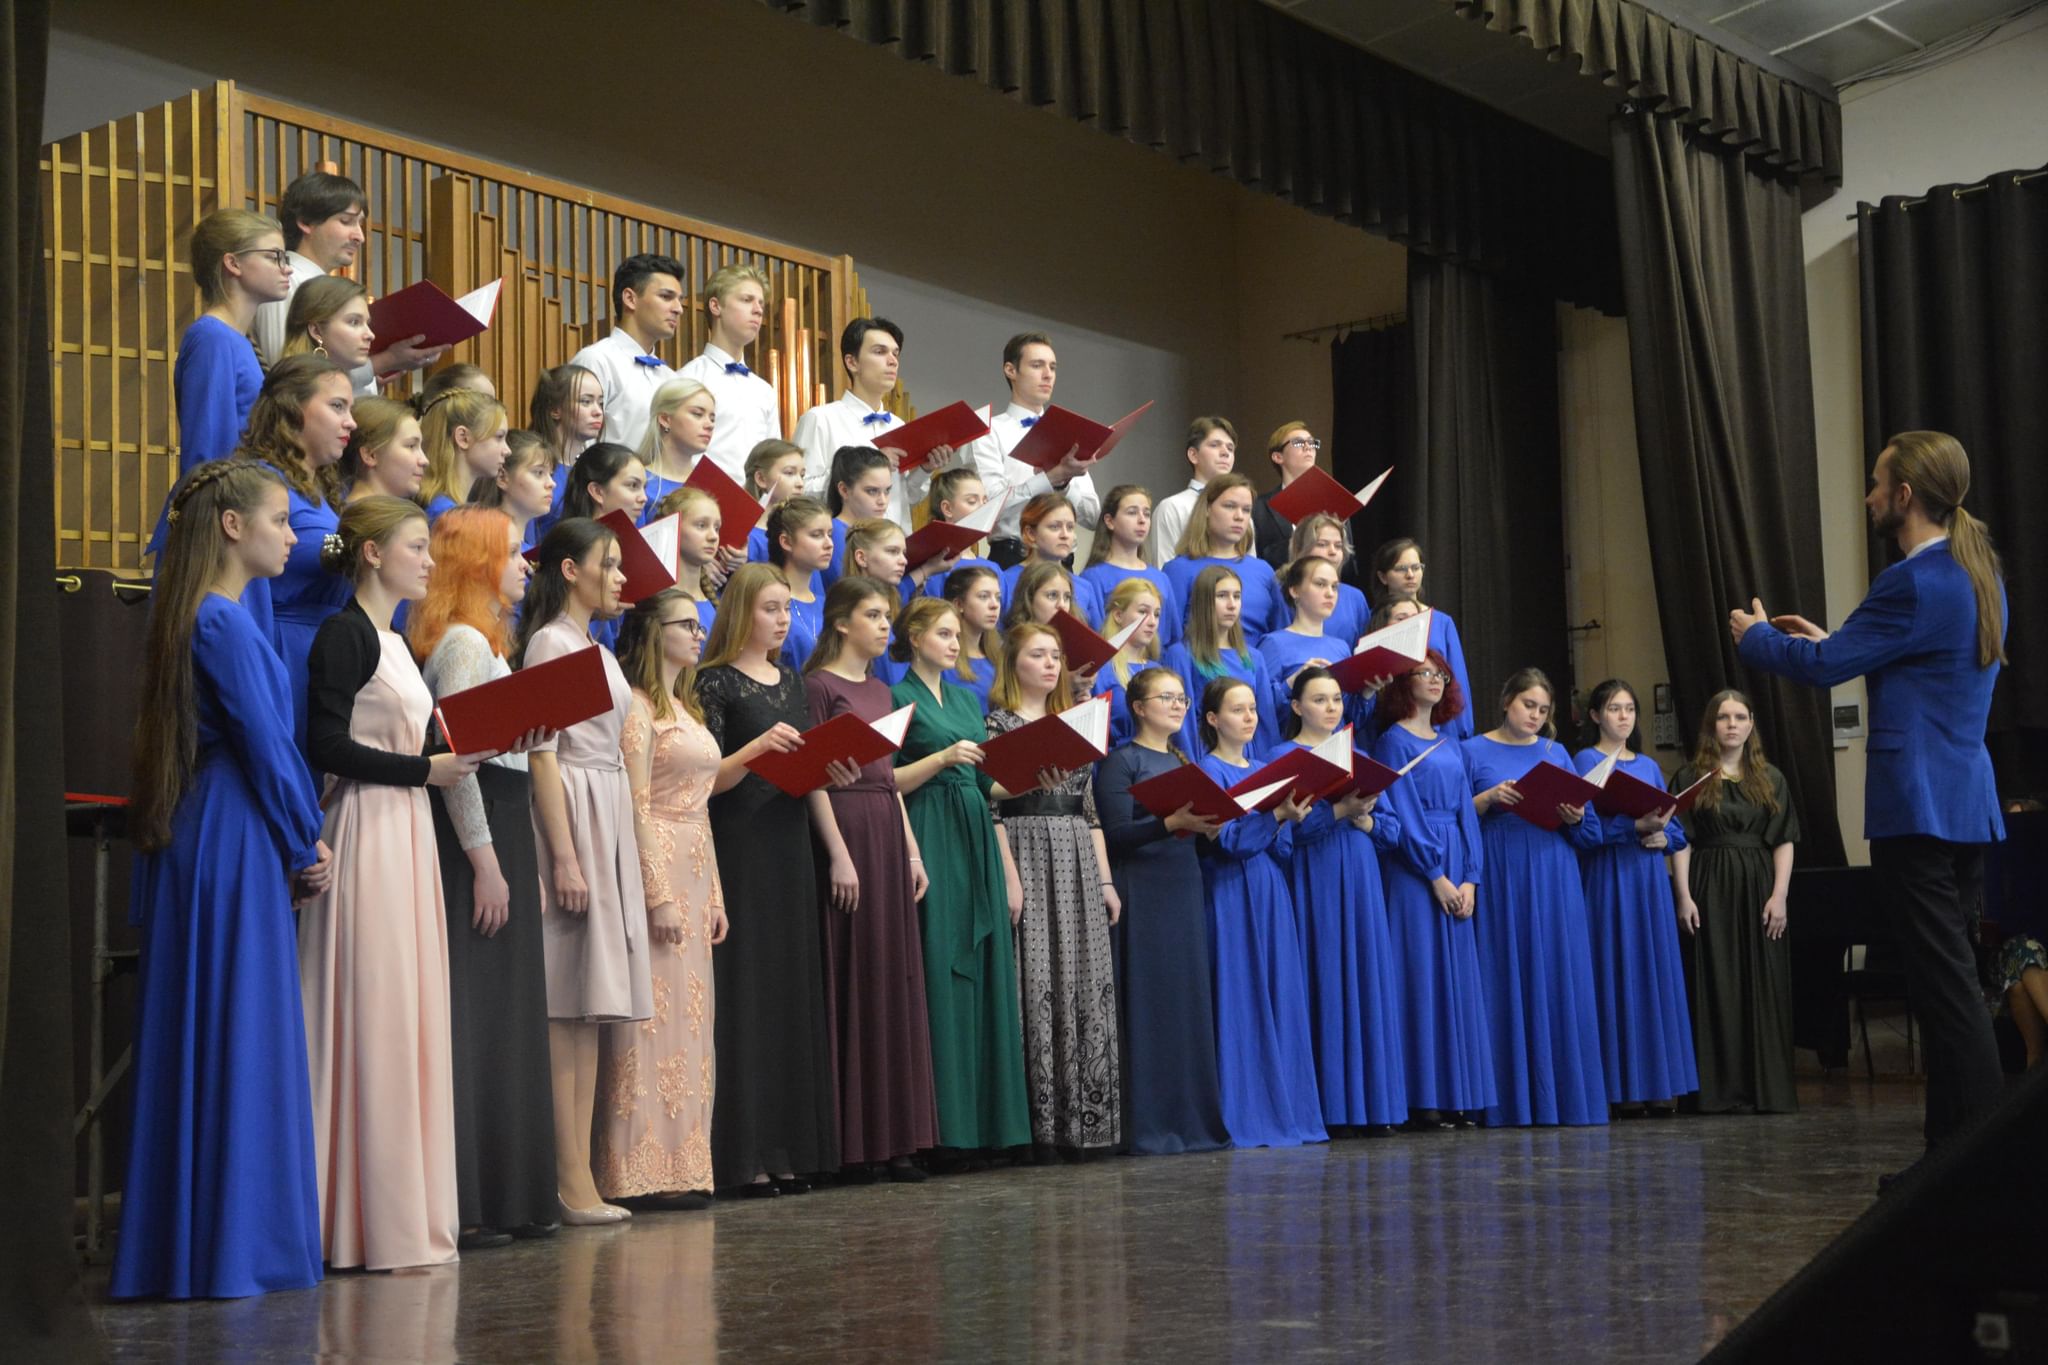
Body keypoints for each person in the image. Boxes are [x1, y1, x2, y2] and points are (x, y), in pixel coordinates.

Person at [1732, 429, 2007, 1154]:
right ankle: (1946, 1167)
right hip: (1963, 802)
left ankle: (1984, 1164)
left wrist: (1755, 637)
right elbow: (1916, 667)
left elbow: (1825, 670)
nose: (1869, 496)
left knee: (1945, 995)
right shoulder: (1977, 573)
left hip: (1915, 807)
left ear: (1906, 495)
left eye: (1878, 483)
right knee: (1952, 988)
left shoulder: (1911, 579)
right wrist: (1832, 641)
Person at [113, 460, 331, 1300]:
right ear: (234, 527)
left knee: (214, 1026)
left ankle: (204, 1243)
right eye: (281, 519)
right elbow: (267, 744)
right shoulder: (225, 623)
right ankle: (237, 1247)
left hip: (211, 829)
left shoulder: (203, 615)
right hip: (234, 832)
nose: (293, 533)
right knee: (241, 1029)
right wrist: (304, 836)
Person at [301, 496, 495, 1269]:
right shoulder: (343, 634)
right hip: (367, 830)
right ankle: (347, 1218)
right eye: (416, 545)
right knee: (371, 1011)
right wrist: (425, 767)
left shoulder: (396, 642)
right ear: (373, 553)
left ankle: (399, 1213)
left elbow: (419, 740)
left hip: (406, 831)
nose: (429, 559)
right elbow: (323, 742)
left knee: (408, 1015)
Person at [411, 506, 559, 1247]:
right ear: (478, 563)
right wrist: (487, 860)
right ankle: (474, 1198)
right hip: (483, 828)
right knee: (481, 1013)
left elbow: (489, 744)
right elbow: (461, 764)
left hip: (501, 815)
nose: (524, 563)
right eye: (512, 552)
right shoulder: (465, 644)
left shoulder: (480, 640)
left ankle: (502, 1193)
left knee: (503, 1011)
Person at [516, 517, 654, 1224]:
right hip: (573, 807)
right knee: (565, 1002)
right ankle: (566, 1176)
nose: (622, 576)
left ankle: (583, 1173)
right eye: (609, 562)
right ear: (570, 569)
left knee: (590, 1004)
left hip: (604, 806)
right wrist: (564, 853)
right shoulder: (549, 641)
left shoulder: (591, 644)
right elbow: (541, 751)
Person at [697, 565, 840, 1193]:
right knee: (748, 993)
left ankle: (786, 1147)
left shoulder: (791, 681)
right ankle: (745, 1152)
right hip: (740, 842)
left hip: (788, 841)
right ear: (741, 613)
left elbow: (805, 773)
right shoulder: (714, 682)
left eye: (787, 609)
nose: (783, 620)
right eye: (771, 609)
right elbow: (708, 780)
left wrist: (835, 842)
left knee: (787, 993)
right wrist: (758, 751)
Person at [593, 589, 729, 1211]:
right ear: (652, 632)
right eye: (685, 625)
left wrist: (716, 894)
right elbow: (637, 804)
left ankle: (684, 1163)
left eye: (700, 625)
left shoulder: (687, 705)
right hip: (661, 863)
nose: (698, 635)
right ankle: (636, 1164)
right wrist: (657, 894)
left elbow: (701, 810)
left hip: (697, 861)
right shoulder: (640, 708)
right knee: (651, 1019)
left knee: (692, 1020)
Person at [801, 577, 938, 1183]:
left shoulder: (882, 690)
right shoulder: (818, 686)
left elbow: (889, 779)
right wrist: (837, 853)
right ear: (840, 623)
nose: (886, 626)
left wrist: (911, 852)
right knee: (854, 976)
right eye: (874, 615)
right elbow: (813, 776)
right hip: (847, 826)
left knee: (891, 980)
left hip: (885, 824)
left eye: (888, 615)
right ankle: (856, 1142)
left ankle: (897, 1136)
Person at [889, 597, 1032, 1158]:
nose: (955, 642)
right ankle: (944, 1129)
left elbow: (987, 784)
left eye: (957, 634)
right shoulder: (899, 698)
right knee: (942, 961)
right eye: (944, 633)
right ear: (916, 635)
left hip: (973, 825)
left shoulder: (969, 698)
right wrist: (944, 758)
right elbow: (886, 780)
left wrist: (1025, 780)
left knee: (987, 964)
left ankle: (989, 1126)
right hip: (931, 826)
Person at [986, 622, 1122, 1160]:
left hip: (1074, 852)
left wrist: (1106, 879)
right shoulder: (996, 722)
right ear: (1013, 663)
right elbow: (989, 802)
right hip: (1026, 844)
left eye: (1055, 655)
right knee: (1035, 979)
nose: (1049, 664)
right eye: (1037, 654)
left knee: (1084, 978)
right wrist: (1010, 875)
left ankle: (1085, 1121)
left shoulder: (1074, 723)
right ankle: (1036, 1125)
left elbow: (1089, 810)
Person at [1092, 667, 1229, 1154]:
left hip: (1183, 886)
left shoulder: (1182, 761)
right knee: (1149, 1004)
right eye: (1166, 697)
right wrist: (1170, 821)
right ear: (1138, 706)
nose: (1176, 705)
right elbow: (1112, 836)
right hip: (1142, 889)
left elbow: (1197, 843)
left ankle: (1190, 1122)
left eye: (1182, 699)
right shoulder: (1120, 762)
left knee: (1184, 1004)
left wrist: (1209, 831)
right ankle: (1148, 1126)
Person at [1463, 668, 1608, 1128]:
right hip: (1502, 868)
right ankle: (1505, 1099)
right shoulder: (1471, 750)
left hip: (1552, 871)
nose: (1535, 715)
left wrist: (1573, 816)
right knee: (1504, 972)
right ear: (1507, 701)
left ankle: (1564, 1097)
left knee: (1555, 973)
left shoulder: (1556, 752)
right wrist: (1486, 800)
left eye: (1543, 710)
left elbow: (1590, 832)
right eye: (1528, 705)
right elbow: (1455, 819)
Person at [1193, 677, 1325, 1147]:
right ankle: (1245, 1112)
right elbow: (1227, 842)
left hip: (1270, 888)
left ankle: (1288, 1108)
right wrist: (1273, 820)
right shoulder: (1208, 772)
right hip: (1229, 890)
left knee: (1280, 995)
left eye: (1252, 709)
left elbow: (1282, 847)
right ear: (1212, 719)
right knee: (1240, 993)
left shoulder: (1267, 768)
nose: (1249, 717)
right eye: (1236, 710)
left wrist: (1283, 821)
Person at [1279, 666, 1408, 1134]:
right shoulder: (1283, 756)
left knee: (1365, 978)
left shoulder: (1359, 754)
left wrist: (1366, 821)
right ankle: (1331, 1107)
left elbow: (1391, 831)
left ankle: (1373, 1107)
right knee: (1324, 975)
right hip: (1313, 875)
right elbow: (1286, 829)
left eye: (1336, 700)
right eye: (1319, 700)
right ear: (1296, 707)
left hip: (1359, 871)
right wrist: (1338, 811)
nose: (1331, 708)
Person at [1668, 691, 1800, 1116]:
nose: (1731, 724)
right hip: (1707, 885)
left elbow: (1783, 840)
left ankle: (1765, 1090)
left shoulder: (1771, 778)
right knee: (1712, 984)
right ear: (1711, 725)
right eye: (1723, 717)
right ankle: (1714, 1091)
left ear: (1750, 723)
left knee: (1760, 982)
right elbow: (1680, 841)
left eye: (1740, 716)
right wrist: (1684, 895)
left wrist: (1779, 895)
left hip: (1759, 886)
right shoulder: (1690, 775)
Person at [1572, 679, 1698, 1117]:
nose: (1623, 717)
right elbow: (1583, 833)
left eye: (1629, 709)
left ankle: (1657, 1083)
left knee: (1650, 973)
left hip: (1646, 882)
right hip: (1608, 877)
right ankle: (1619, 1087)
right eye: (1613, 709)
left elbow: (1675, 830)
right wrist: (1634, 828)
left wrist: (1660, 834)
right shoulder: (1585, 760)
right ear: (1595, 716)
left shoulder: (1647, 765)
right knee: (1613, 971)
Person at [144, 210, 292, 563]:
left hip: (241, 514)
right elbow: (207, 451)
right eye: (274, 257)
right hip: (220, 524)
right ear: (233, 263)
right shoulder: (213, 337)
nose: (286, 268)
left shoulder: (237, 339)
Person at [237, 353, 357, 751]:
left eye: (351, 409)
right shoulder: (263, 482)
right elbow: (323, 549)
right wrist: (370, 542)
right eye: (337, 406)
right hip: (285, 654)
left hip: (326, 653)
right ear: (292, 410)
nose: (350, 422)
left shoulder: (327, 490)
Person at [251, 170, 445, 383]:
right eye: (346, 221)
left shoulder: (321, 283)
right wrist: (386, 361)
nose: (359, 236)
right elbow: (287, 377)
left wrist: (373, 379)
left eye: (360, 224)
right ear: (306, 222)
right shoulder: (286, 280)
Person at [794, 316, 950, 529]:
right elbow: (800, 491)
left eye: (895, 354)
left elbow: (905, 498)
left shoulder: (898, 424)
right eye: (880, 352)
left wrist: (924, 469)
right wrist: (863, 467)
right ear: (852, 362)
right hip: (842, 545)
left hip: (894, 547)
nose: (893, 361)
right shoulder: (821, 419)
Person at [967, 331, 1101, 567]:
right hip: (1013, 557)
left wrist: (1064, 484)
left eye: (1053, 367)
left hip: (1064, 563)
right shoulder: (990, 431)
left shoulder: (1068, 433)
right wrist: (1050, 478)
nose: (1048, 374)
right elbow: (990, 507)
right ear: (1011, 370)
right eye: (1037, 365)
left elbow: (1093, 517)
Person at [1161, 564, 1284, 759]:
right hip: (1206, 753)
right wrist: (1193, 769)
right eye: (1222, 596)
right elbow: (1184, 723)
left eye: (1237, 596)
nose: (1231, 604)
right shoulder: (1181, 654)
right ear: (1204, 602)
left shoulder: (1253, 657)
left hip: (1247, 757)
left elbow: (1266, 724)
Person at [569, 252, 686, 450]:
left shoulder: (671, 378)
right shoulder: (596, 360)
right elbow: (577, 445)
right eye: (666, 297)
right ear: (630, 299)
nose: (678, 308)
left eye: (679, 299)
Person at [679, 263, 783, 482]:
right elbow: (678, 455)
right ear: (716, 306)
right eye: (747, 300)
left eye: (761, 303)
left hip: (758, 508)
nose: (758, 309)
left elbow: (774, 459)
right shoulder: (688, 379)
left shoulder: (764, 390)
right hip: (703, 503)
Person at [1367, 537, 1474, 739]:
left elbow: (1457, 680)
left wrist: (1462, 733)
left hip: (1439, 724)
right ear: (1383, 576)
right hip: (1388, 722)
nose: (1410, 575)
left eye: (1416, 567)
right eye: (1401, 569)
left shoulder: (1441, 622)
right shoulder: (1372, 620)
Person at [1163, 474, 1284, 645]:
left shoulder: (1263, 570)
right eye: (1229, 506)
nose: (1239, 516)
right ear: (1207, 509)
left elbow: (1278, 635)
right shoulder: (1179, 569)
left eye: (1246, 510)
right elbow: (1168, 639)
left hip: (1255, 667)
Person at [1079, 484, 1179, 648]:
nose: (1142, 520)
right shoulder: (1093, 577)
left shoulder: (1161, 579)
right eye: (1132, 513)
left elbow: (1170, 638)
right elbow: (1095, 637)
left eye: (1146, 514)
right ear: (1110, 521)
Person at [527, 362, 605, 546]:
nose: (598, 411)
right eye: (586, 401)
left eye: (600, 403)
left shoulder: (595, 469)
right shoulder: (534, 466)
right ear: (555, 409)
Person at [1000, 492, 1103, 625]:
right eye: (1055, 527)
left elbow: (1095, 640)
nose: (1065, 535)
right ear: (1030, 533)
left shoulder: (1084, 587)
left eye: (1070, 527)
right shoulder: (1005, 581)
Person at [1147, 416, 1237, 566]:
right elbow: (1165, 570)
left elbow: (1248, 568)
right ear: (1193, 455)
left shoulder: (1241, 510)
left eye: (1230, 448)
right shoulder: (1171, 507)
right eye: (1215, 445)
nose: (1225, 453)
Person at [1256, 555, 1352, 693]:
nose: (1330, 593)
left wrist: (1367, 692)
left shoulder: (1341, 647)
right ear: (1295, 590)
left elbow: (1349, 709)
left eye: (1335, 586)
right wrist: (1292, 682)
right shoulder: (1274, 644)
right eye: (1320, 584)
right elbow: (1263, 704)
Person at [418, 388, 511, 524]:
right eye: (499, 437)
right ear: (463, 438)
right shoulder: (446, 514)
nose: (508, 450)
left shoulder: (450, 509)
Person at [1094, 576, 1167, 749]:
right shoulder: (1101, 669)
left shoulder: (1156, 670)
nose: (1152, 622)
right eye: (1143, 612)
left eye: (1156, 614)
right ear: (1118, 615)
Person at [1250, 421, 1333, 571]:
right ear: (1278, 457)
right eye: (1298, 443)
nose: (1308, 447)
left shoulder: (1332, 502)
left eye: (1312, 443)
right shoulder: (1259, 507)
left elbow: (1349, 564)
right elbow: (1257, 558)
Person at [765, 495, 833, 671]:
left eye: (830, 534)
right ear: (786, 542)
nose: (829, 544)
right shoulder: (768, 603)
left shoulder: (827, 605)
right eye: (816, 535)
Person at [637, 375, 718, 517]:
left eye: (712, 418)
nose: (710, 424)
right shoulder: (638, 482)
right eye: (698, 414)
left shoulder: (713, 486)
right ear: (665, 419)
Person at [650, 485, 727, 634]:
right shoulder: (656, 604)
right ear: (673, 527)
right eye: (701, 525)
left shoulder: (715, 604)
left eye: (717, 528)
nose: (713, 536)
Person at [916, 466, 999, 602]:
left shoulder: (993, 568)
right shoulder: (931, 567)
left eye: (985, 501)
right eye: (972, 501)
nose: (983, 508)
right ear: (947, 509)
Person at [1289, 513, 1371, 647]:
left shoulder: (1355, 597)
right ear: (1300, 550)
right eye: (1322, 544)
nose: (1332, 551)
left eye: (1338, 546)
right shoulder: (1284, 591)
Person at [278, 275, 376, 384]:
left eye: (367, 323)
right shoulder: (300, 393)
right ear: (316, 331)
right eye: (354, 322)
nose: (371, 335)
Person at [824, 445, 896, 590]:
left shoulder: (875, 533)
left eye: (887, 491)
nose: (882, 500)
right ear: (844, 490)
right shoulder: (832, 534)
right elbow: (857, 594)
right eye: (872, 491)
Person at [470, 430, 559, 547]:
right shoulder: (491, 547)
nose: (552, 484)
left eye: (550, 474)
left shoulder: (526, 546)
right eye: (539, 473)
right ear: (502, 478)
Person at [931, 564, 1003, 707]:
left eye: (998, 597)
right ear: (958, 604)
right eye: (984, 596)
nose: (995, 605)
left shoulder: (1001, 654)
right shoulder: (941, 660)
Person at [340, 396, 429, 504]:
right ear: (371, 455)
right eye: (411, 446)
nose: (425, 461)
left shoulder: (392, 515)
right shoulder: (360, 519)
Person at [743, 438, 808, 563]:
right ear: (761, 478)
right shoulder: (748, 538)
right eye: (789, 473)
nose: (800, 483)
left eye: (802, 475)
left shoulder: (801, 533)